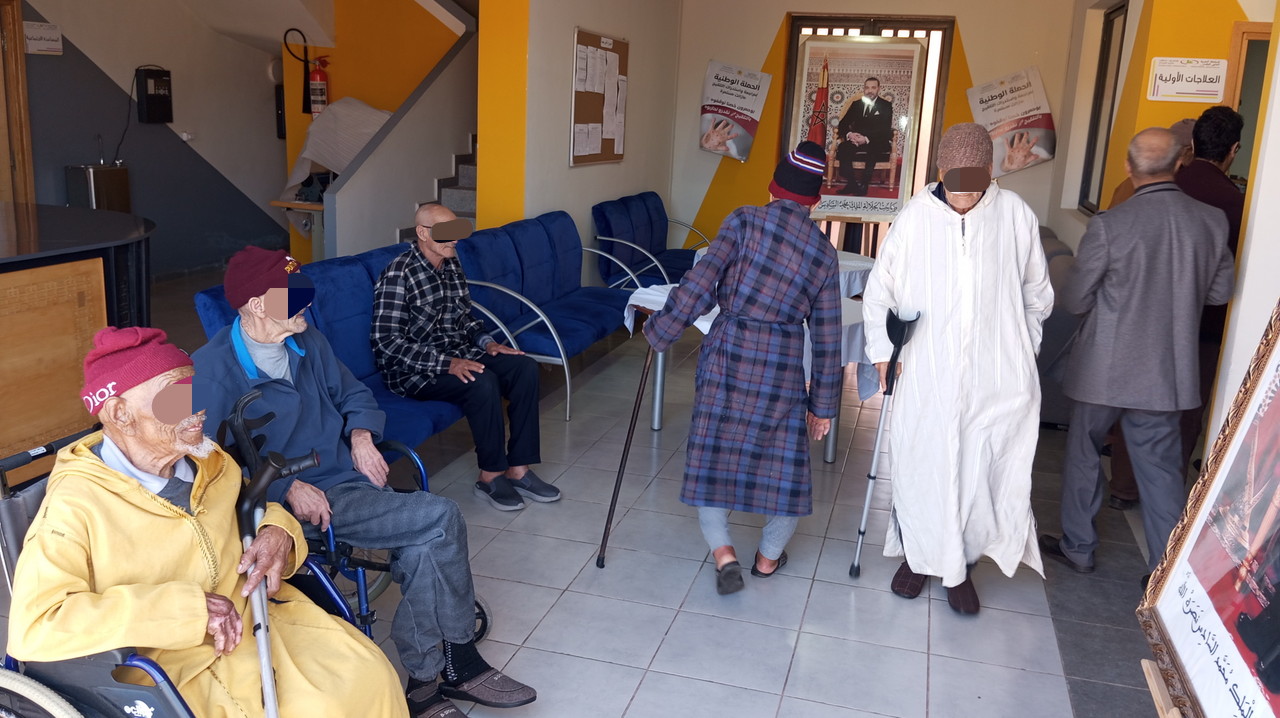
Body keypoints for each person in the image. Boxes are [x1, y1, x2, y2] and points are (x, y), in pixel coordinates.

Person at [193, 247, 535, 718]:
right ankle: (459, 660)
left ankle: (424, 684)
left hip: (346, 482)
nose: (306, 303)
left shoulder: (306, 340)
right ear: (256, 304)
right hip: (290, 508)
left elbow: (354, 393)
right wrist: (282, 488)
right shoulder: (209, 371)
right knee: (440, 517)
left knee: (422, 544)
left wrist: (360, 435)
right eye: (292, 295)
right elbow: (202, 466)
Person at [7, 327, 408, 717]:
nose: (197, 408)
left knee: (369, 675)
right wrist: (187, 609)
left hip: (261, 619)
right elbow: (38, 625)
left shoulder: (209, 462)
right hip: (173, 662)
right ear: (119, 413)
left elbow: (253, 506)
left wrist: (278, 532)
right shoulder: (76, 505)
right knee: (321, 709)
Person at [861, 122, 1053, 614]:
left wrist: (1021, 349)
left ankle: (961, 564)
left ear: (990, 171)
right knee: (922, 463)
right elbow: (880, 291)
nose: (964, 199)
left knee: (979, 469)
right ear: (941, 172)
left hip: (995, 375)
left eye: (975, 186)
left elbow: (1037, 295)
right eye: (955, 185)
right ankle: (918, 556)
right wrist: (883, 353)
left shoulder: (1015, 215)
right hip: (926, 370)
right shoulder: (914, 217)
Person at [643, 141, 841, 596]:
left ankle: (724, 554)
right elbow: (828, 338)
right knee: (785, 467)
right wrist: (823, 406)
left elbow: (700, 284)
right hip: (781, 366)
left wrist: (662, 331)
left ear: (773, 188)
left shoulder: (743, 220)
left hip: (728, 354)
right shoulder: (822, 253)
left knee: (713, 456)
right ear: (814, 200)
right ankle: (768, 559)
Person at [1040, 127, 1235, 587]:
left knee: (1084, 454)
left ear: (1129, 168)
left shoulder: (1111, 224)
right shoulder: (1210, 221)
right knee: (1161, 470)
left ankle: (1079, 548)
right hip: (1166, 370)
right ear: (1180, 162)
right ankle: (1164, 574)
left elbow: (1077, 299)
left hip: (1102, 367)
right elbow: (1220, 292)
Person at [372, 203, 558, 512]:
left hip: (458, 354)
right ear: (422, 233)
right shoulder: (398, 274)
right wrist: (447, 364)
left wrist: (488, 343)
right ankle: (491, 475)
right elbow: (386, 343)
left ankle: (519, 469)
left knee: (524, 368)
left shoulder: (451, 264)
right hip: (413, 372)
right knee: (482, 381)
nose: (455, 239)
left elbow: (463, 318)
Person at [1103, 117, 1197, 512]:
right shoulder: (1201, 208)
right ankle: (1166, 548)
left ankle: (1092, 523)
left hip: (1112, 342)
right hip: (1171, 346)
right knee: (1159, 445)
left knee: (1097, 436)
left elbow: (1092, 277)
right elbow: (1219, 289)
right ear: (1181, 158)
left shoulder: (1123, 193)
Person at [835, 77, 894, 196]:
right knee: (843, 147)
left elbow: (884, 129)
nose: (870, 90)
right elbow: (843, 124)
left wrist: (866, 139)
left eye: (873, 87)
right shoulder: (856, 104)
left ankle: (864, 184)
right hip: (856, 140)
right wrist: (850, 134)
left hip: (877, 140)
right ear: (864, 89)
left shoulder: (886, 106)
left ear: (878, 89)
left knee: (873, 149)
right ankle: (851, 183)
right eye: (867, 88)